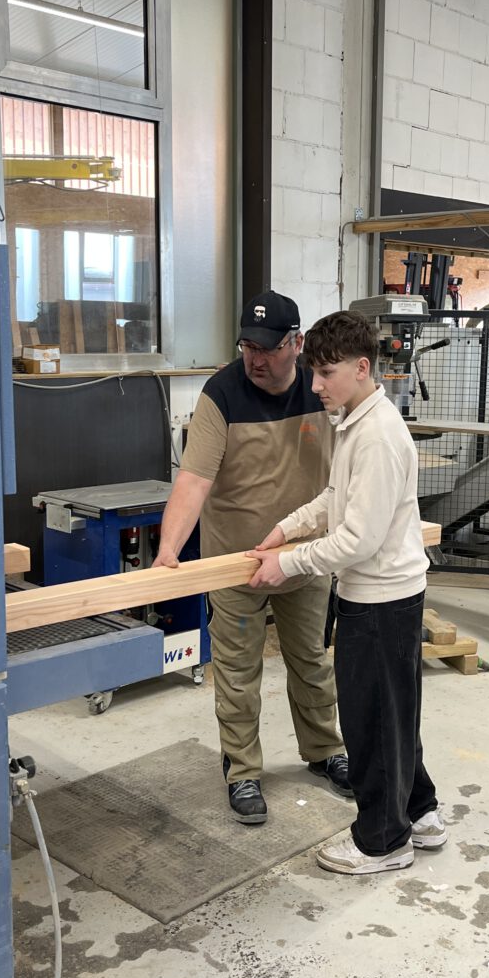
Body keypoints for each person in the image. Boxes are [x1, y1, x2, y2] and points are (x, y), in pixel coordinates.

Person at [246, 309, 447, 874]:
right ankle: (420, 813)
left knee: (371, 722)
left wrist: (287, 564)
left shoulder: (377, 436)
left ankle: (382, 842)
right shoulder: (358, 421)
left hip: (380, 602)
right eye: (313, 371)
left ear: (362, 368)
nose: (316, 385)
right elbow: (335, 498)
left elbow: (358, 541)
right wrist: (287, 528)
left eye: (326, 373)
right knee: (394, 714)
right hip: (387, 596)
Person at [153, 290, 351, 824]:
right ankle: (242, 771)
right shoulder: (221, 394)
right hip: (236, 563)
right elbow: (193, 481)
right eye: (247, 347)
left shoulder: (321, 387)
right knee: (238, 674)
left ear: (296, 343)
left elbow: (351, 460)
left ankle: (325, 750)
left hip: (304, 557)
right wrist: (167, 553)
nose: (255, 359)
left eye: (267, 348)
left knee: (312, 662)